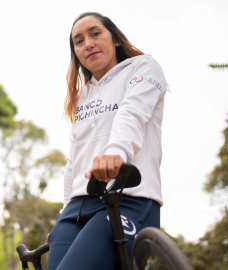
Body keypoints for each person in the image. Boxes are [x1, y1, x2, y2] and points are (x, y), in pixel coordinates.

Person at [46, 12, 167, 270]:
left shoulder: (143, 67)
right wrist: (62, 214)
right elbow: (75, 158)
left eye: (95, 33)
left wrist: (116, 153)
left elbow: (132, 113)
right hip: (76, 209)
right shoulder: (82, 96)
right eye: (78, 41)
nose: (87, 43)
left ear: (115, 40)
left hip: (127, 198)